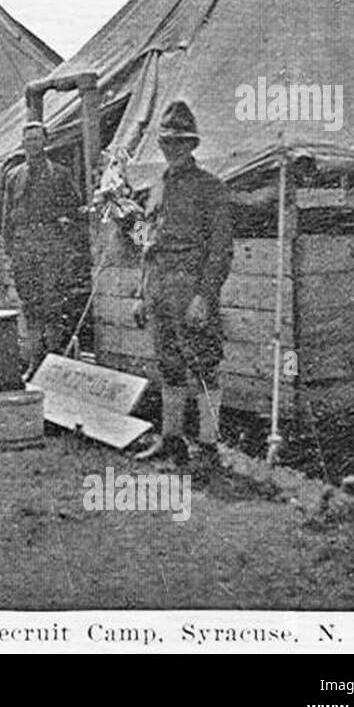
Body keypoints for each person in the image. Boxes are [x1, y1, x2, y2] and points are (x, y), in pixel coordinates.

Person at [132, 100, 233, 475]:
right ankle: (171, 441)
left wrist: (204, 298)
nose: (171, 147)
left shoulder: (211, 188)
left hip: (190, 289)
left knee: (205, 365)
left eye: (180, 142)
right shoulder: (156, 187)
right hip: (159, 288)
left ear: (192, 145)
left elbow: (221, 251)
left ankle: (208, 447)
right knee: (168, 365)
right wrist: (142, 294)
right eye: (166, 141)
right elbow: (147, 244)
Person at [2, 121, 84, 375]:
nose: (32, 144)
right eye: (28, 140)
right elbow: (7, 216)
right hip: (24, 248)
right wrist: (11, 248)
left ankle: (54, 364)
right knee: (30, 305)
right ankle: (35, 362)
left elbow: (75, 207)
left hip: (51, 246)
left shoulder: (59, 173)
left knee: (53, 305)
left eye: (37, 139)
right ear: (23, 144)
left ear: (46, 142)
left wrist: (63, 223)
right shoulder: (13, 176)